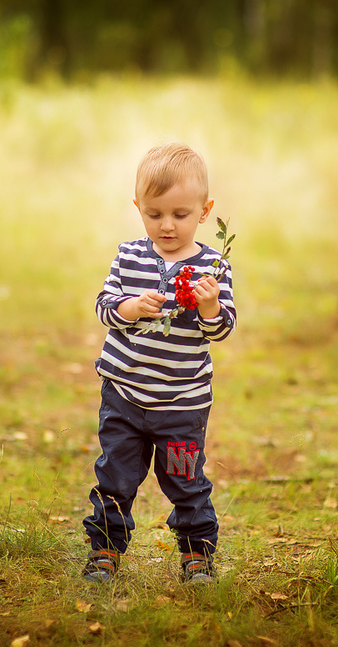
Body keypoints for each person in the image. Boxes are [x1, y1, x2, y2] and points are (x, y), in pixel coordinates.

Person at [81, 142, 236, 584]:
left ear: (204, 212)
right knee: (114, 476)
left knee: (186, 481)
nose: (166, 225)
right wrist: (130, 307)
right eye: (154, 214)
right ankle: (105, 551)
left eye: (180, 215)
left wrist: (208, 309)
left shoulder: (213, 265)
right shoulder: (129, 256)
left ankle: (197, 554)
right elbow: (104, 305)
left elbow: (222, 329)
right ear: (139, 208)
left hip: (182, 404)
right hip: (125, 396)